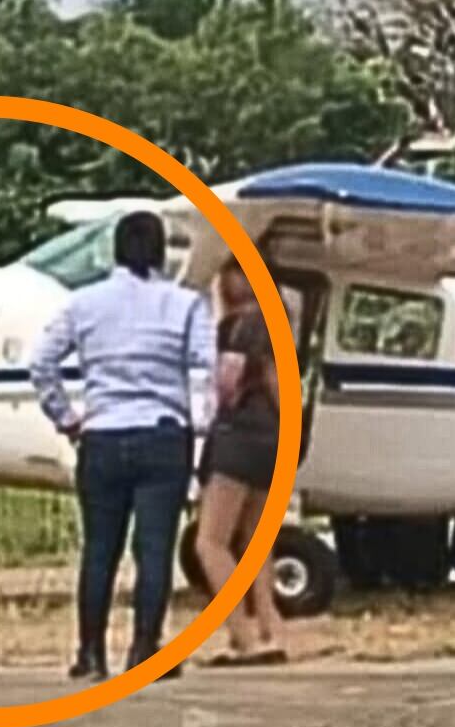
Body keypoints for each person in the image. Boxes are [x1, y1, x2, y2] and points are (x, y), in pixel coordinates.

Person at [30, 211, 215, 681]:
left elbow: (41, 363)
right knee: (154, 550)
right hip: (161, 434)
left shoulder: (84, 303)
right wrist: (201, 428)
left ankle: (90, 652)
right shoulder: (184, 305)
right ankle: (145, 649)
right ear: (159, 252)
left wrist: (66, 418)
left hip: (103, 435)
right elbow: (207, 369)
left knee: (99, 549)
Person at [192, 261, 288, 667]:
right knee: (255, 539)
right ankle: (272, 629)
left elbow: (229, 387)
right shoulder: (275, 322)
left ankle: (240, 634)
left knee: (210, 541)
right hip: (270, 437)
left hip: (239, 436)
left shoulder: (239, 328)